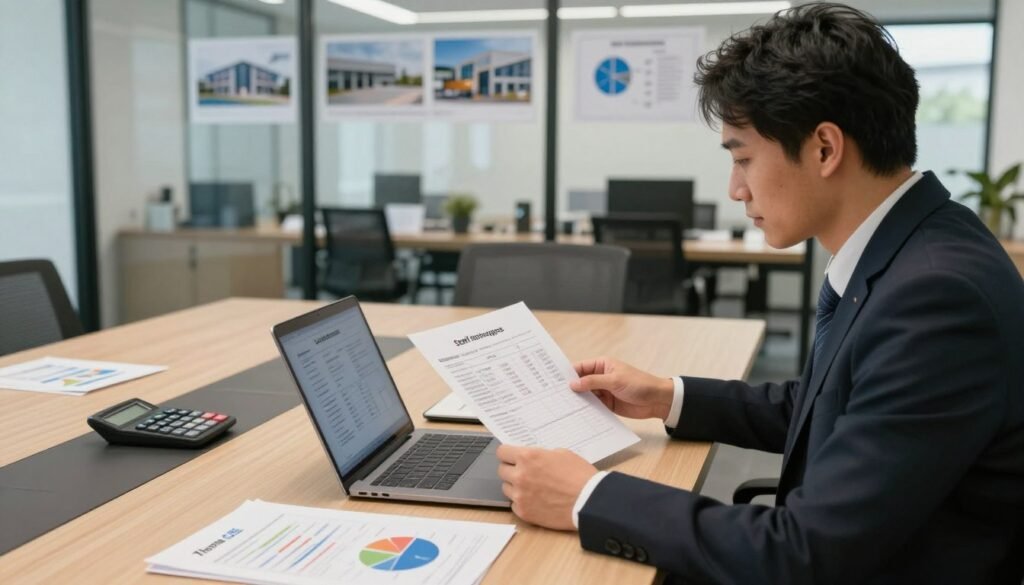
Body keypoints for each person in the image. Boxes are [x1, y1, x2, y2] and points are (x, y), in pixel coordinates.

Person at [495, 3, 1024, 583]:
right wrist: (666, 396)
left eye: (743, 157)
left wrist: (587, 495)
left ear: (825, 148)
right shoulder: (919, 242)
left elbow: (803, 554)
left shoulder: (937, 299)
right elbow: (834, 404)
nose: (735, 189)